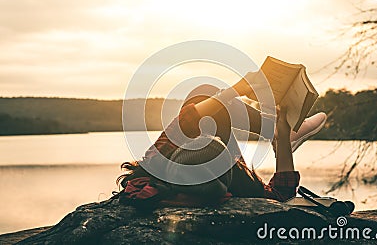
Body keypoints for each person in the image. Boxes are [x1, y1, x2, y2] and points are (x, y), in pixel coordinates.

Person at [117, 71, 327, 207]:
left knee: (203, 94)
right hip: (210, 168)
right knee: (205, 97)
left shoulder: (157, 161)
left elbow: (191, 117)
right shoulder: (235, 177)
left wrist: (236, 90)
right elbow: (282, 195)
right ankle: (280, 133)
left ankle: (272, 129)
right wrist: (282, 140)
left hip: (186, 164)